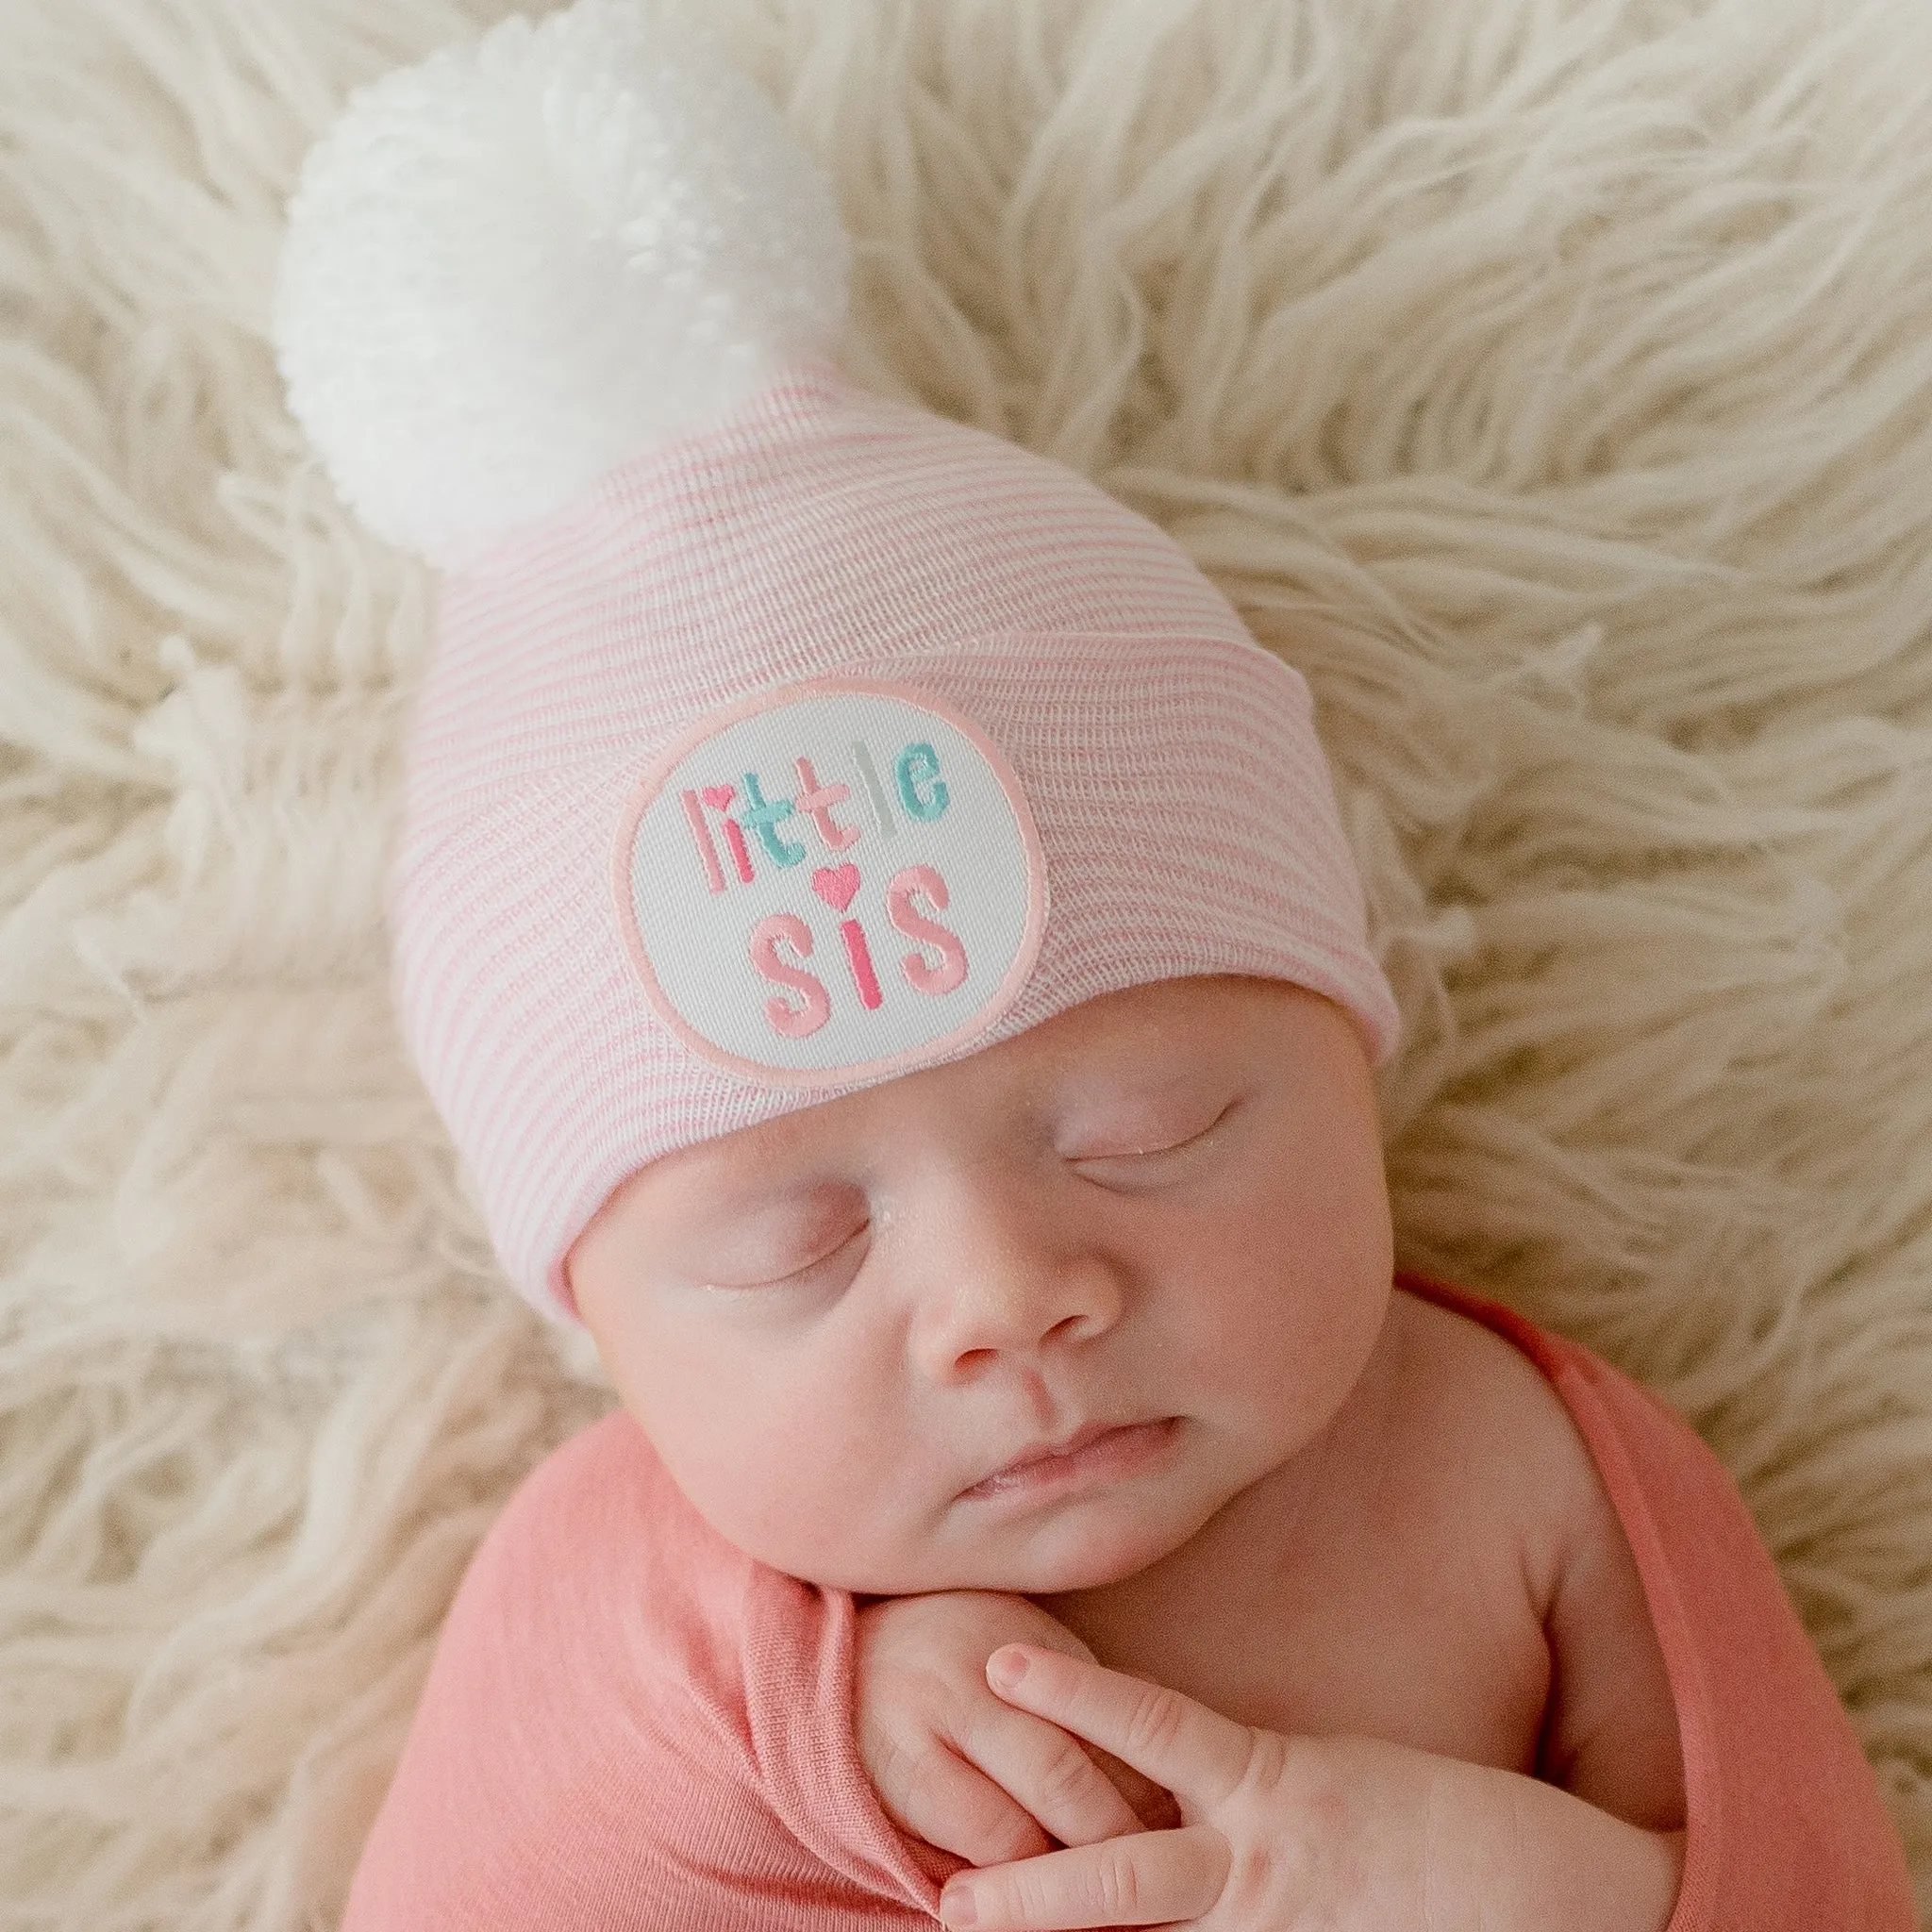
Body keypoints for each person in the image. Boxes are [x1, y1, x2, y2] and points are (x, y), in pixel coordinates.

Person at [270, 4, 1915, 1926]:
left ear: (1341, 1044)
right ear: (603, 1322)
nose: (1004, 1295)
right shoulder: (629, 1606)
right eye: (793, 1242)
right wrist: (791, 1719)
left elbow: (1825, 1883)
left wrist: (1551, 1890)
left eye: (1148, 1126)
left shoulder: (1521, 1479)